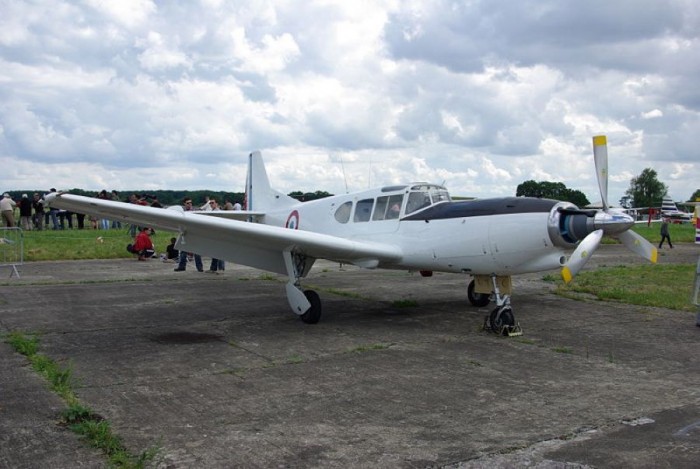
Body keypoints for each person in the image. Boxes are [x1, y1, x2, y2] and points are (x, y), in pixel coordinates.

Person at [174, 197, 203, 272]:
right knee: (183, 251)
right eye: (188, 203)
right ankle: (182, 266)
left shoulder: (194, 211)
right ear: (184, 204)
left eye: (191, 203)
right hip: (185, 233)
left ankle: (200, 268)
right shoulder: (182, 212)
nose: (190, 204)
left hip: (194, 234)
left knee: (196, 251)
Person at [206, 199, 225, 273]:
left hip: (219, 235)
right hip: (214, 234)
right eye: (210, 203)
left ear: (216, 203)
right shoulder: (213, 212)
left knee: (219, 252)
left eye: (213, 203)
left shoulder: (218, 212)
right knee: (214, 252)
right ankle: (213, 268)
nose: (211, 204)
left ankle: (221, 268)